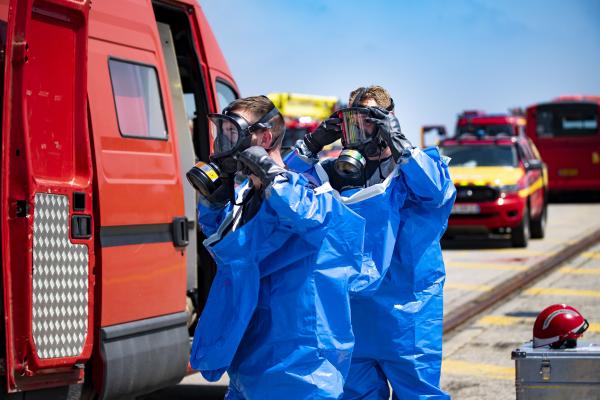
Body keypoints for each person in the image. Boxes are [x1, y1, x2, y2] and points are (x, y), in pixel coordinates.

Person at [187, 95, 367, 399]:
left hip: (300, 361)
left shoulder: (309, 191)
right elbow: (232, 246)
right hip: (250, 351)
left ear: (265, 137)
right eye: (221, 131)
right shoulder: (244, 195)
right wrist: (214, 202)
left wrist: (272, 175)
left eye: (232, 132)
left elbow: (310, 217)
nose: (223, 142)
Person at [286, 86, 456, 399]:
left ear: (388, 121)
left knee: (419, 393)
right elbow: (284, 192)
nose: (361, 131)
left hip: (408, 310)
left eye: (370, 121)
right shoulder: (335, 173)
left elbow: (437, 194)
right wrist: (311, 145)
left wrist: (402, 146)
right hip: (352, 312)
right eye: (354, 123)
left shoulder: (413, 169)